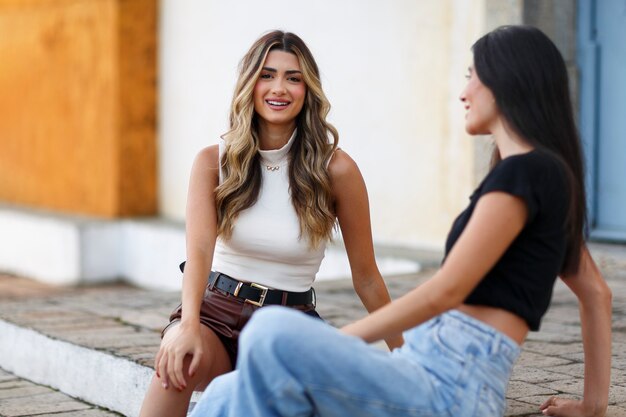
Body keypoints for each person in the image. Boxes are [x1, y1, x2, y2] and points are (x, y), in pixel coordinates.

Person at [190, 25, 612, 417]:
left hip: (454, 383)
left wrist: (333, 345)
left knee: (272, 334)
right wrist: (592, 406)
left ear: (506, 82)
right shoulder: (542, 176)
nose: (464, 91)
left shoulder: (527, 174)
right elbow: (595, 292)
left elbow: (446, 291)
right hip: (428, 367)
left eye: (472, 75)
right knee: (225, 393)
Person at [138, 30, 402, 417]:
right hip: (217, 314)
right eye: (267, 74)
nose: (279, 88)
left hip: (290, 324)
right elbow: (197, 252)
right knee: (175, 367)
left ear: (307, 89)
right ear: (250, 83)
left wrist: (406, 356)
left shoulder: (337, 169)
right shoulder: (214, 161)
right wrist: (187, 326)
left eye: (293, 78)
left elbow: (366, 277)